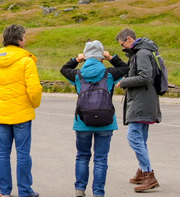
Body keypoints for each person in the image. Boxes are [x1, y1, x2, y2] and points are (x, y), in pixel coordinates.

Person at [60, 40, 129, 197]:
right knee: (101, 159)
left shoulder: (78, 75)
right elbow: (126, 68)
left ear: (85, 56)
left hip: (83, 122)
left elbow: (64, 69)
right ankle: (98, 192)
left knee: (82, 156)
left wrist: (76, 60)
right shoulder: (110, 74)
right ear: (101, 57)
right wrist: (112, 57)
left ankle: (80, 189)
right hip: (106, 123)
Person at [0, 24, 42, 197]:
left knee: (3, 152)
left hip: (2, 113)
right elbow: (34, 89)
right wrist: (33, 104)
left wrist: (1, 101)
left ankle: (4, 191)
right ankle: (25, 191)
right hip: (22, 114)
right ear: (19, 40)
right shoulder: (26, 60)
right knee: (23, 153)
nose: (26, 39)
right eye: (25, 36)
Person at [115, 27, 162, 192]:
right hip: (145, 100)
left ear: (129, 39)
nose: (123, 48)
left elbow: (145, 76)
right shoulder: (143, 51)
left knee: (134, 137)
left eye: (122, 44)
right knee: (140, 138)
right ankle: (142, 171)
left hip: (142, 102)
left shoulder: (141, 53)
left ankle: (148, 174)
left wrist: (124, 82)